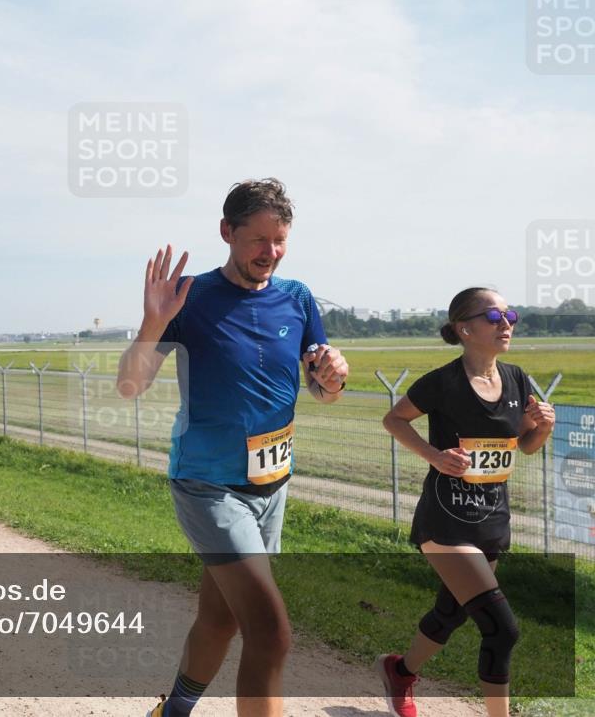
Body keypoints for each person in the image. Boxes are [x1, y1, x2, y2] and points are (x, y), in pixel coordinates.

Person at [116, 179, 349, 717]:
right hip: (208, 486)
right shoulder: (188, 298)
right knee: (270, 632)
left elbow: (320, 389)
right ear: (227, 232)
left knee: (220, 619)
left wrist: (332, 380)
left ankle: (171, 711)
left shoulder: (298, 297)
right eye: (258, 240)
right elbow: (130, 385)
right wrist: (154, 322)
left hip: (272, 486)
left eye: (281, 240)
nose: (270, 253)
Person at [379, 288, 555, 717]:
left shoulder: (516, 378)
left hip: (493, 519)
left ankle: (400, 671)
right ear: (465, 328)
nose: (506, 322)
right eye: (494, 315)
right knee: (502, 630)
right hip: (446, 521)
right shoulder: (442, 382)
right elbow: (393, 419)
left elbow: (524, 446)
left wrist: (543, 429)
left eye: (509, 313)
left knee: (451, 612)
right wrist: (434, 456)